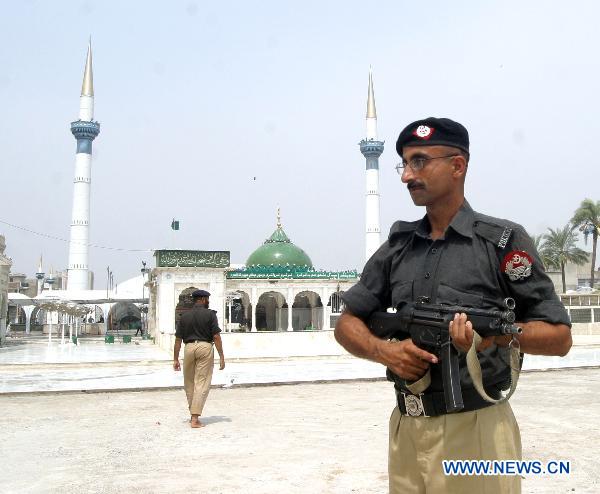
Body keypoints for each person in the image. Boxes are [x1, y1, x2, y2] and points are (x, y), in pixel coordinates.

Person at [334, 117, 572, 493]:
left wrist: (500, 337)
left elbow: (559, 337)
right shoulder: (397, 246)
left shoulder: (501, 242)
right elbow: (347, 323)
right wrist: (385, 352)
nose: (406, 176)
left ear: (457, 165)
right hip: (407, 430)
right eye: (404, 164)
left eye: (419, 162)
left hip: (476, 430)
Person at [173, 289, 225, 429]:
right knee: (201, 383)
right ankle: (195, 419)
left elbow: (178, 339)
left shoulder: (184, 316)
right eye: (207, 299)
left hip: (188, 348)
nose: (208, 301)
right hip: (204, 347)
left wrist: (175, 358)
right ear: (202, 299)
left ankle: (192, 415)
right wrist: (221, 356)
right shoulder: (210, 314)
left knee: (189, 383)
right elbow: (216, 336)